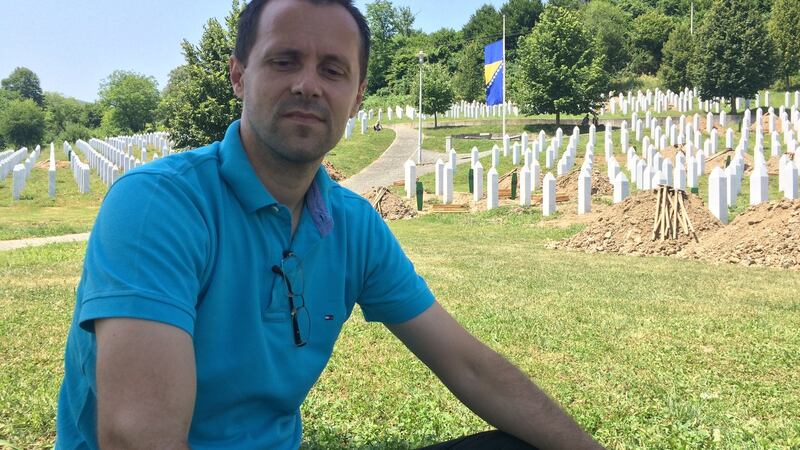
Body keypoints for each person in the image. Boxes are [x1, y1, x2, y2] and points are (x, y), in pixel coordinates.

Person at [55, 1, 603, 449]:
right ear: (239, 73)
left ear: (357, 95)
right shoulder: (159, 205)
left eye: (333, 70)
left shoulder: (352, 225)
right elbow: (138, 437)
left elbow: (471, 367)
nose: (308, 85)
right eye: (285, 61)